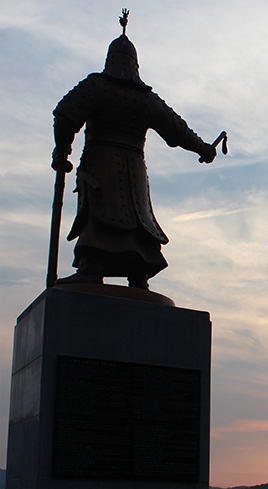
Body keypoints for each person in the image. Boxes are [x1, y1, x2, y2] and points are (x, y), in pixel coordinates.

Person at [52, 13, 216, 290]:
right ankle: (137, 274)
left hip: (101, 162)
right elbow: (178, 130)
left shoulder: (97, 86)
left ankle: (94, 265)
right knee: (135, 219)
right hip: (133, 169)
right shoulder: (145, 99)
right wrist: (203, 149)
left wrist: (62, 150)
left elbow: (65, 113)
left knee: (111, 213)